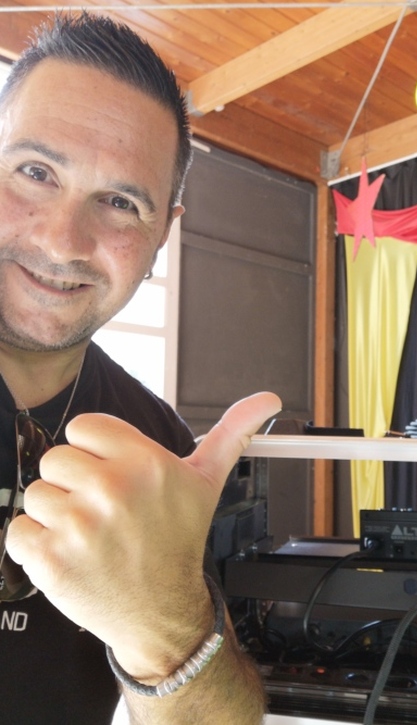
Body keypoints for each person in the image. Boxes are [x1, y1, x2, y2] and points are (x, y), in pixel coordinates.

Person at [0, 11, 281, 724]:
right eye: (35, 172)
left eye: (120, 202)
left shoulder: (160, 450)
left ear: (162, 236)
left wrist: (169, 629)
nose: (63, 241)